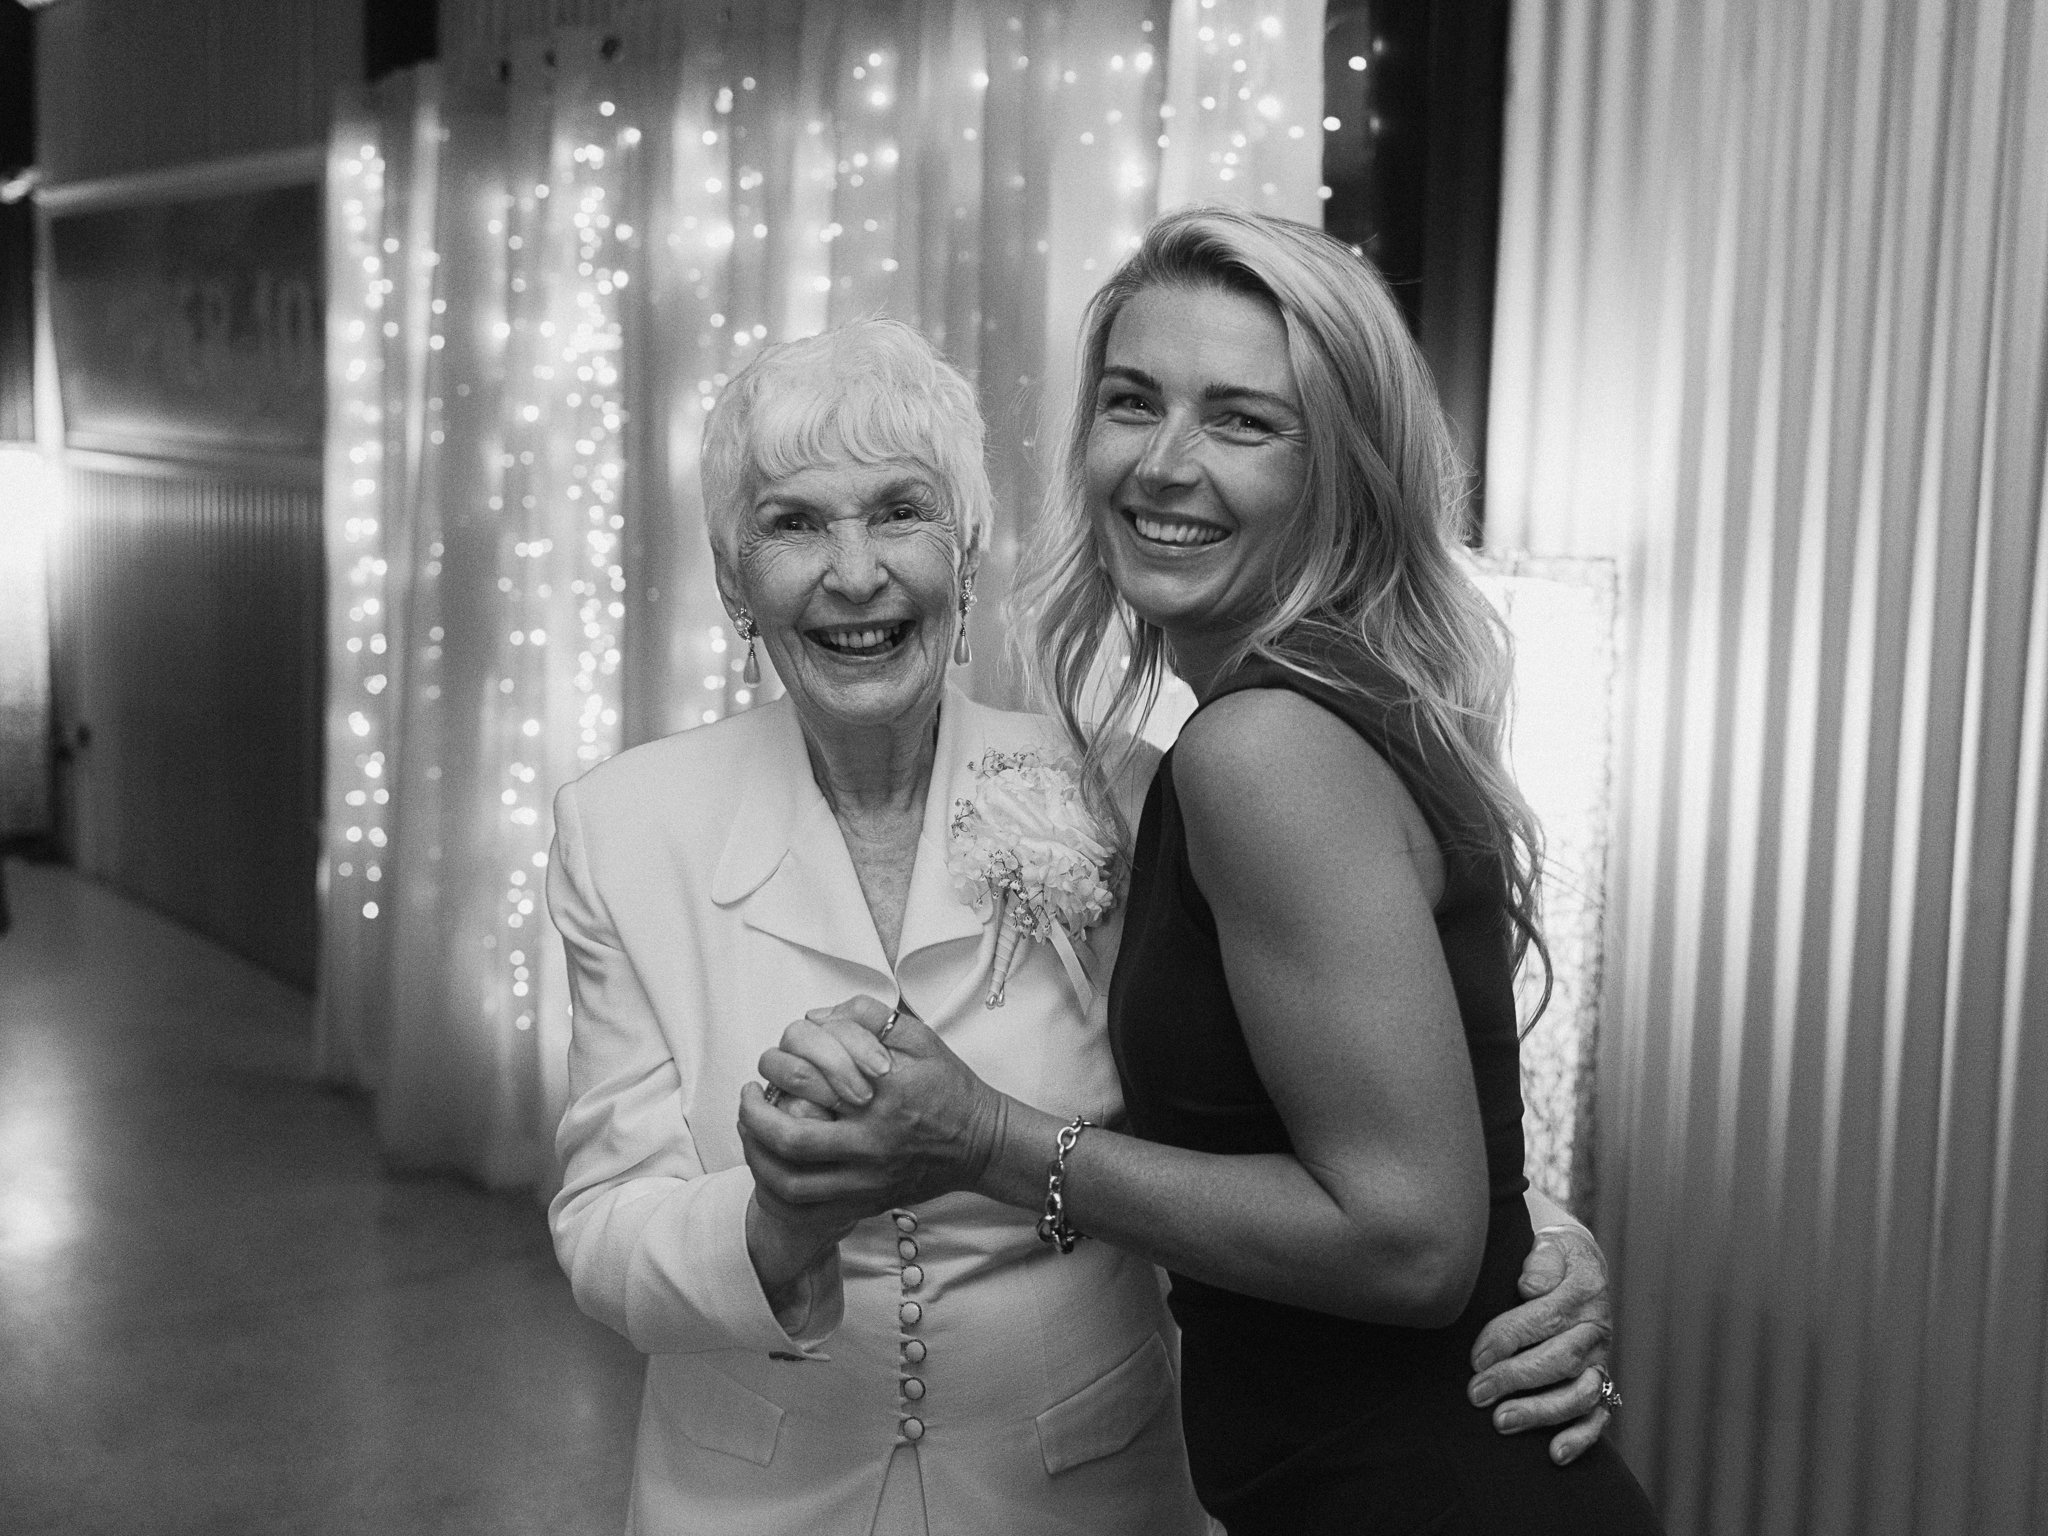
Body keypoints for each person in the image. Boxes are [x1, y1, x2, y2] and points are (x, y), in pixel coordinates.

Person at [550, 316, 1621, 1536]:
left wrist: (1530, 1238)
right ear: (733, 577)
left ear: (969, 549)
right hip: (748, 1496)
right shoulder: (621, 828)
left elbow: (1315, 1103)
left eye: (899, 511)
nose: (854, 575)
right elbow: (601, 1223)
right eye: (794, 523)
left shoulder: (1124, 785)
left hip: (1081, 1492)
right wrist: (771, 1224)